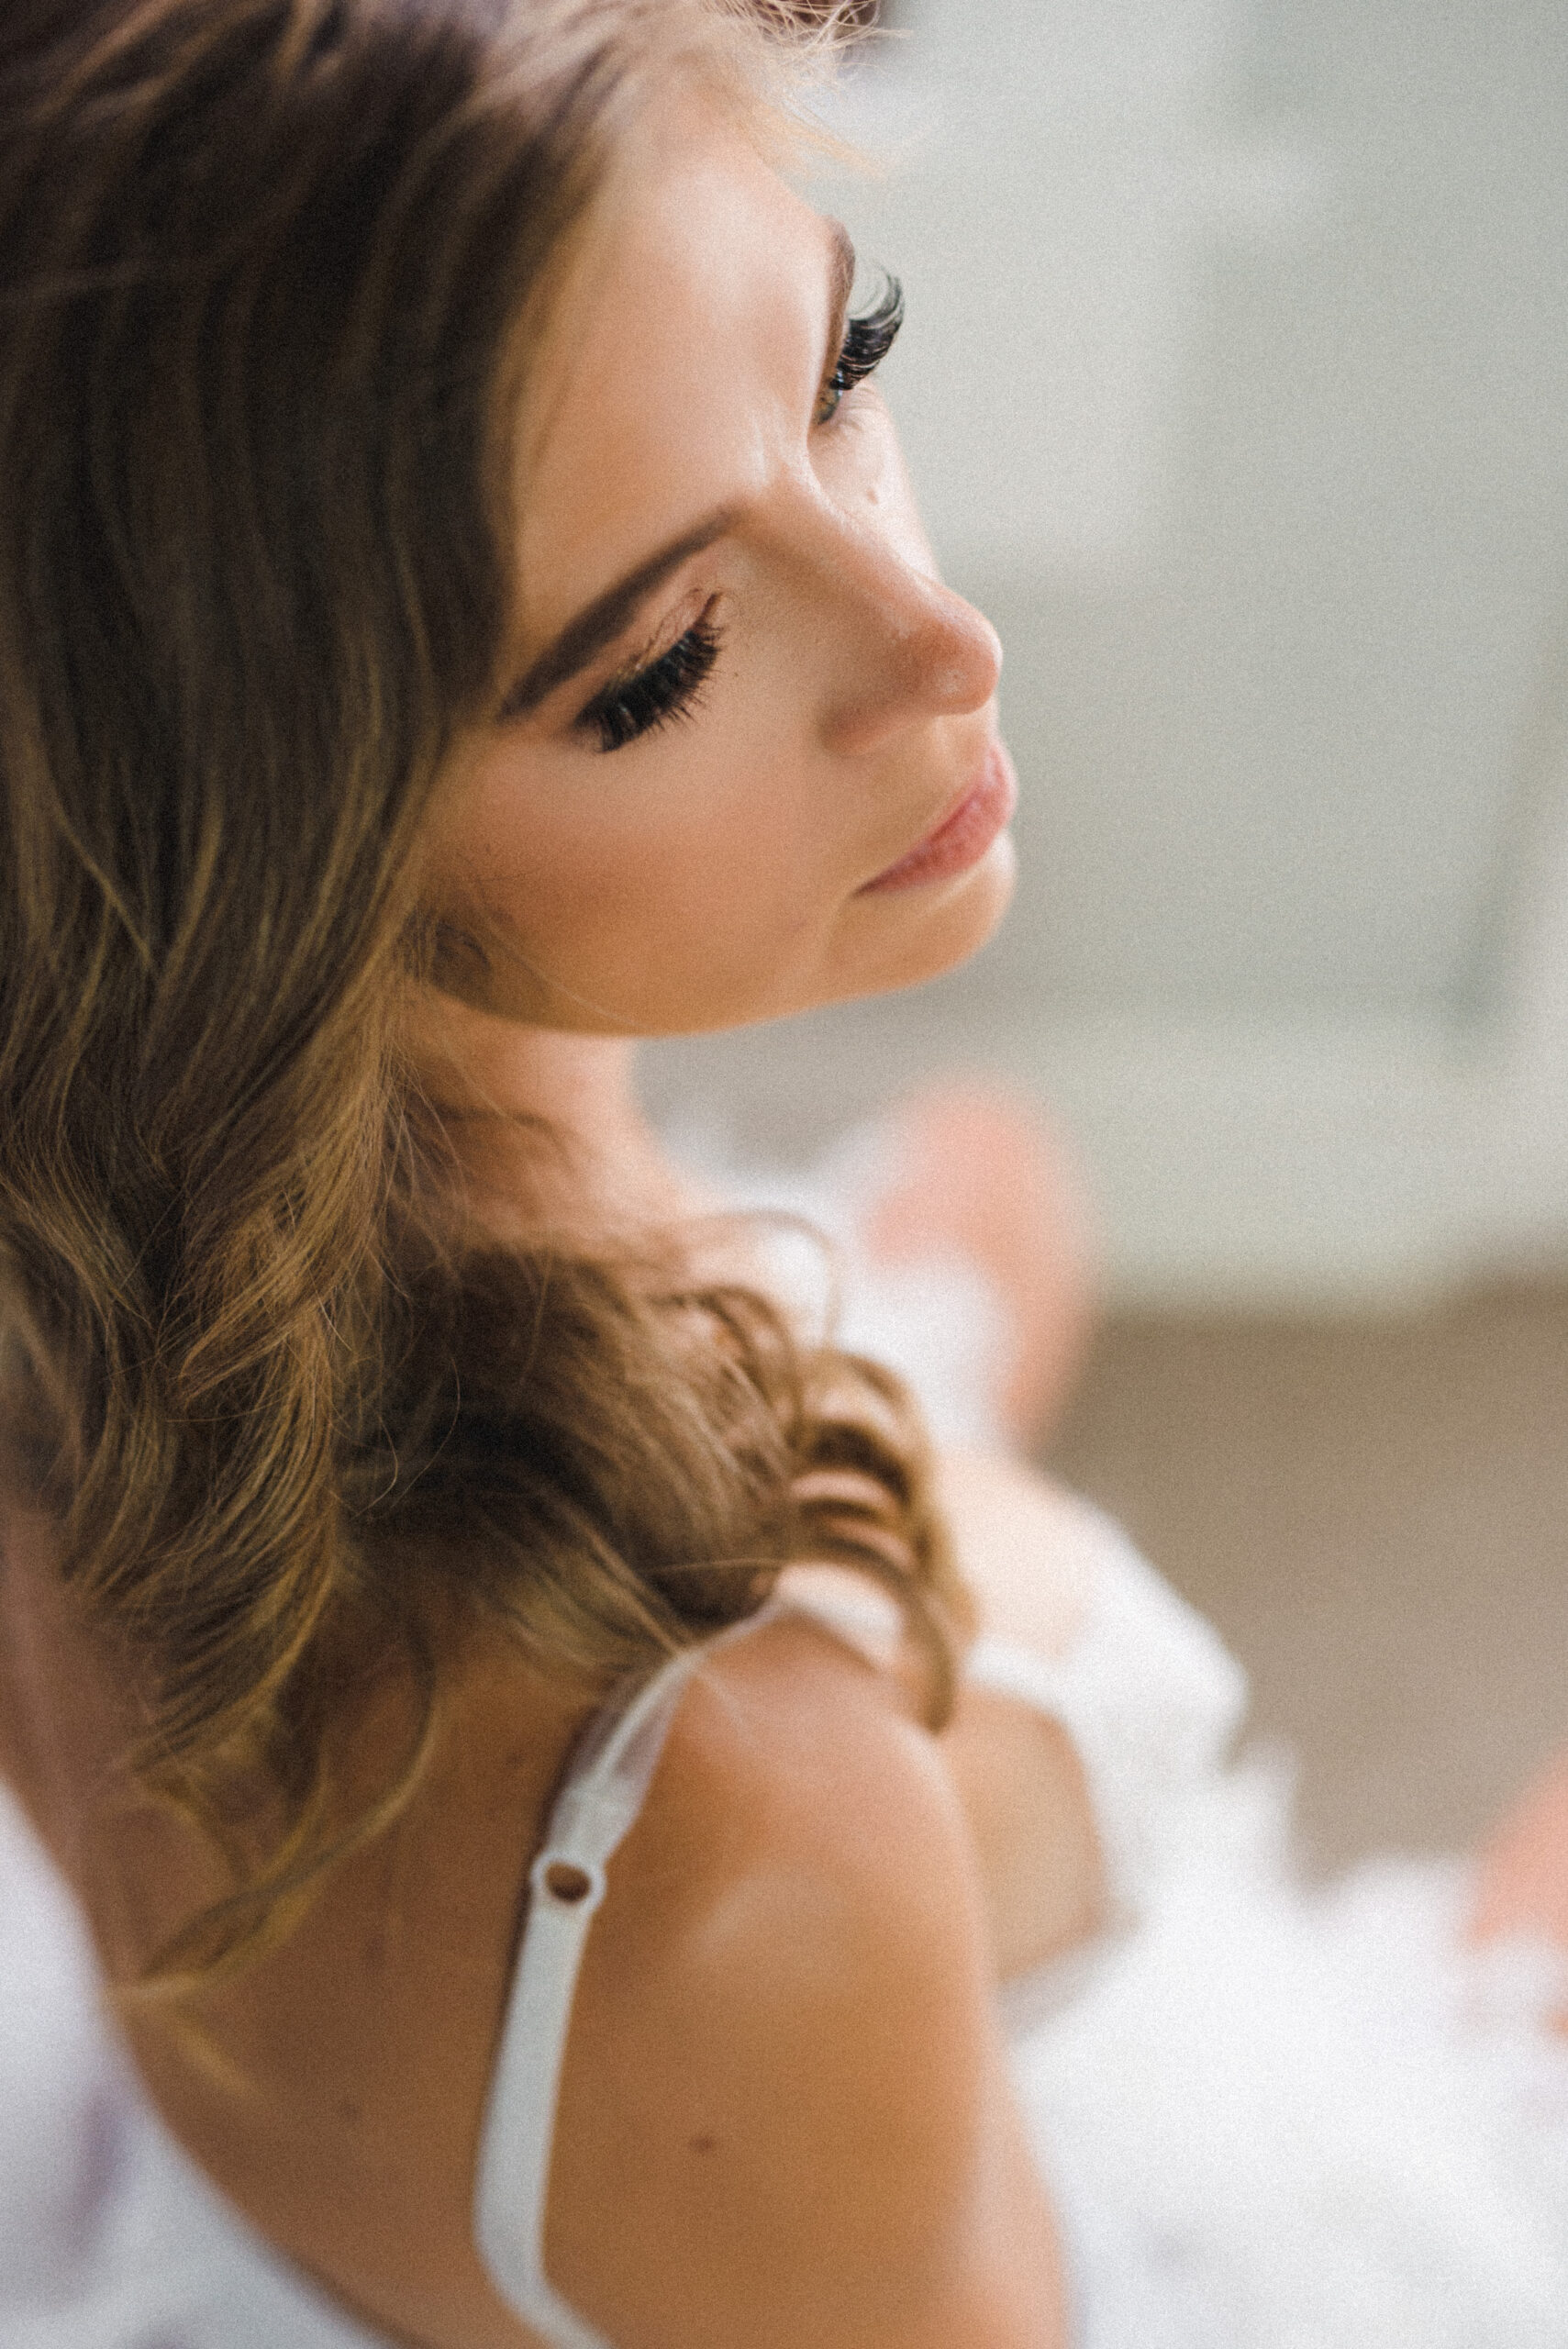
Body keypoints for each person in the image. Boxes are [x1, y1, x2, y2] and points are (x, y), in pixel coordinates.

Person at [3, 6, 1568, 2347]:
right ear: (269, 879)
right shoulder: (750, 1833)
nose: (949, 640)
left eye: (850, 355)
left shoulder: (93, 1182)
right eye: (658, 664)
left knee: (993, 1182)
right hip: (905, 2173)